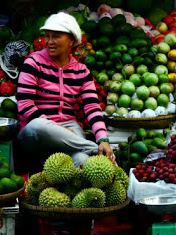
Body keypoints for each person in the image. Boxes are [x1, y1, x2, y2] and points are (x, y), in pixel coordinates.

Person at [17, 12, 115, 167]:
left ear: (71, 40)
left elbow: (92, 107)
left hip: (69, 129)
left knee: (82, 160)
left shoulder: (82, 71)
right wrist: (56, 127)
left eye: (56, 36)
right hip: (37, 133)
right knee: (39, 125)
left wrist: (103, 138)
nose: (49, 42)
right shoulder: (34, 62)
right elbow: (25, 105)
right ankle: (96, 150)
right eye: (47, 36)